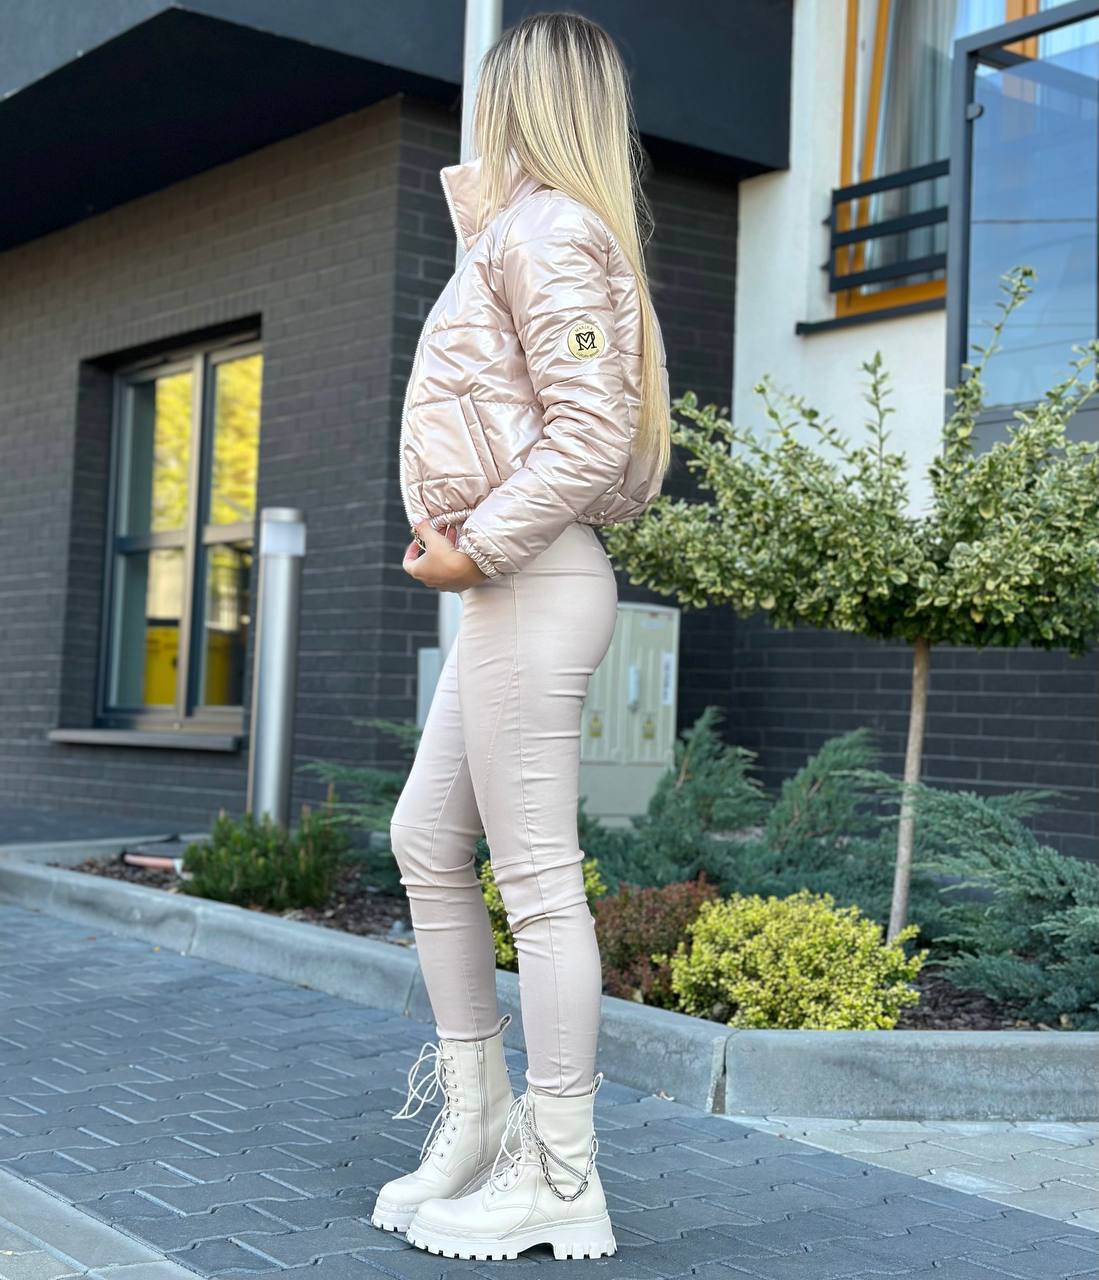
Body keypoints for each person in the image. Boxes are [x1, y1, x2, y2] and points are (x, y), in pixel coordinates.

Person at [370, 10, 670, 1263]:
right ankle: (481, 1120)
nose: (479, 111)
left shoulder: (551, 231)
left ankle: (560, 1174)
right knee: (425, 836)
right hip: (513, 579)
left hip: (531, 576)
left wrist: (478, 543)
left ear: (525, 98)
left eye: (495, 92)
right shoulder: (523, 228)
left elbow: (590, 433)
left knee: (536, 880)